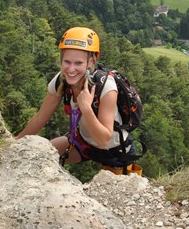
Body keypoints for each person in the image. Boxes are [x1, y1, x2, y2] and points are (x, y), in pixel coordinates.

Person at [16, 27, 139, 173]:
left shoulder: (106, 87)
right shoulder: (61, 81)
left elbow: (104, 139)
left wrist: (86, 107)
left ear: (91, 61)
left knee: (115, 193)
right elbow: (41, 117)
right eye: (67, 62)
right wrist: (15, 143)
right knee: (42, 154)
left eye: (78, 63)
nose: (71, 69)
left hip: (115, 150)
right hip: (84, 142)